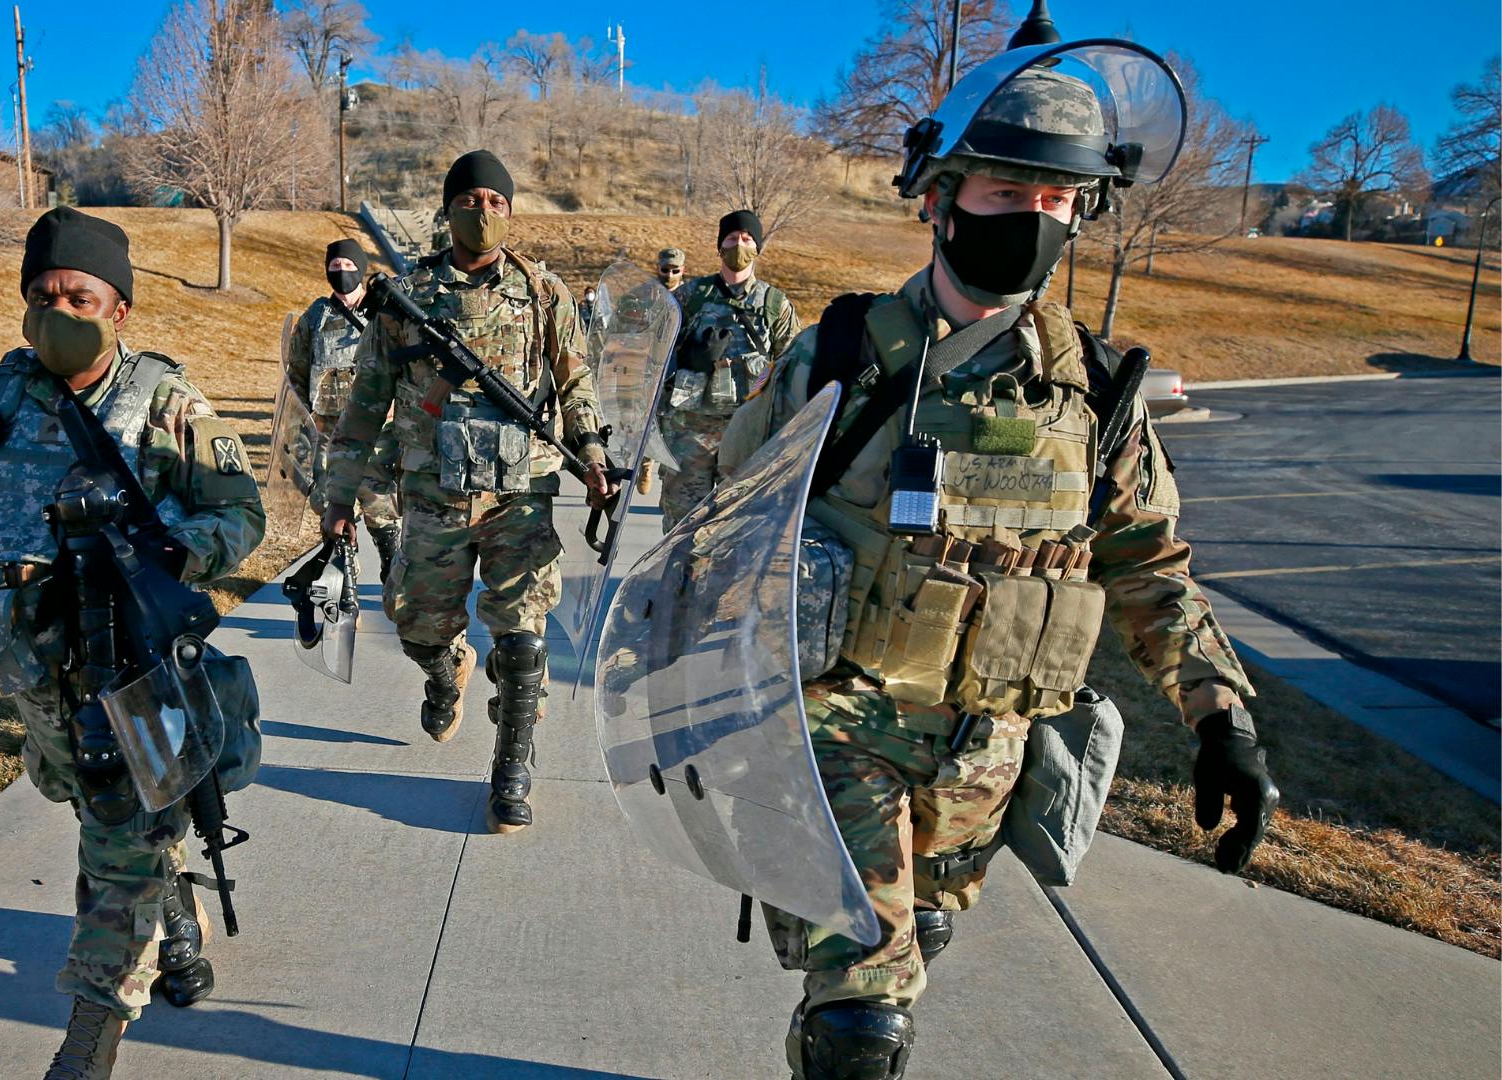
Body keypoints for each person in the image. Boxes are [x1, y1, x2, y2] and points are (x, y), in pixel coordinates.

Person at [714, 37, 1278, 1080]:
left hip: (985, 760)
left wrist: (1221, 720)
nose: (1033, 215)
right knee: (863, 1022)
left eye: (1057, 197)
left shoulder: (1096, 394)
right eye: (1006, 189)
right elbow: (728, 518)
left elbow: (1149, 567)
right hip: (840, 736)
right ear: (940, 198)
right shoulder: (838, 357)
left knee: (915, 950)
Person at [0, 206, 265, 1080]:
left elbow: (240, 513)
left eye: (80, 297)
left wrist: (159, 554)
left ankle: (89, 1043)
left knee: (118, 829)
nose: (59, 309)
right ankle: (170, 905)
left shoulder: (164, 401)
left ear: (119, 309)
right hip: (25, 661)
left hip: (124, 661)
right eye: (44, 294)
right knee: (86, 797)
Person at [320, 149, 612, 833]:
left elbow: (575, 384)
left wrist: (593, 454)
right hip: (433, 495)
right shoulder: (407, 297)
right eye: (469, 200)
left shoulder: (543, 293)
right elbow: (366, 403)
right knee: (417, 626)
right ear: (447, 209)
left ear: (511, 211)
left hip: (520, 492)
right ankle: (447, 670)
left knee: (523, 635)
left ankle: (511, 771)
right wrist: (338, 497)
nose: (483, 211)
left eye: (496, 201)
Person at [657, 209, 799, 529]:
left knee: (735, 527)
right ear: (720, 246)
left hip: (746, 432)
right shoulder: (691, 296)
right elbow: (657, 351)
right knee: (680, 527)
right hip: (689, 431)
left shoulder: (774, 304)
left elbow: (789, 365)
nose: (739, 245)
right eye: (732, 238)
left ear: (757, 247)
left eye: (747, 239)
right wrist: (689, 357)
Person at [284, 238, 402, 572]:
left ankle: (391, 568)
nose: (341, 271)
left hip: (378, 429)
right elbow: (297, 373)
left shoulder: (384, 313)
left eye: (349, 265)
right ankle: (343, 574)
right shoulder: (315, 317)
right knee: (330, 505)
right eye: (335, 266)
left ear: (361, 269)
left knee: (380, 504)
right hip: (328, 432)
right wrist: (298, 424)